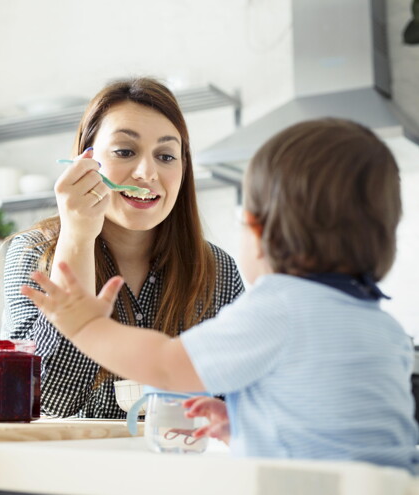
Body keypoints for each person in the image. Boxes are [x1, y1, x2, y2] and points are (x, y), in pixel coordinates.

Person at [22, 118, 419, 472]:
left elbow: (166, 366)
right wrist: (247, 425)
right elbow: (336, 427)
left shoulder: (278, 306)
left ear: (256, 230)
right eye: (126, 151)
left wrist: (87, 324)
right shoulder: (384, 327)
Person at [2, 77, 244, 418]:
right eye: (125, 152)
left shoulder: (218, 269)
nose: (147, 173)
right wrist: (77, 237)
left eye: (165, 155)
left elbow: (236, 397)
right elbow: (45, 401)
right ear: (85, 161)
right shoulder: (33, 252)